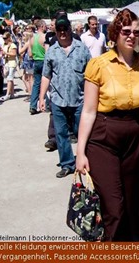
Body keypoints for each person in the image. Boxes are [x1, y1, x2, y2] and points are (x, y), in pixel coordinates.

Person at [76, 8, 139, 241]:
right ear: (115, 33)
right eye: (126, 31)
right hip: (103, 137)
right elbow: (88, 111)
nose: (131, 36)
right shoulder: (99, 65)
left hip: (134, 137)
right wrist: (80, 152)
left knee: (134, 203)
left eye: (136, 32)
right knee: (113, 206)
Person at [39, 11, 92, 178]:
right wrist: (41, 98)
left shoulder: (81, 49)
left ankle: (87, 159)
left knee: (81, 131)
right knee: (61, 134)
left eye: (65, 29)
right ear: (56, 31)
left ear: (70, 29)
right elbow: (46, 75)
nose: (62, 32)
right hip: (57, 100)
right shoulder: (52, 51)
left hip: (80, 99)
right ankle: (67, 164)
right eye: (59, 30)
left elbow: (91, 75)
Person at [28, 19, 48, 114]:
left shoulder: (32, 38)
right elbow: (48, 52)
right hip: (44, 61)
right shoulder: (44, 37)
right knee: (47, 83)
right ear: (42, 26)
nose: (46, 27)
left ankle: (33, 105)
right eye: (45, 26)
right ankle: (46, 104)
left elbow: (30, 54)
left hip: (36, 62)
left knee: (36, 84)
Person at [2, 32, 18, 100]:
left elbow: (14, 54)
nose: (4, 39)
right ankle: (12, 93)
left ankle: (7, 94)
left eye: (5, 38)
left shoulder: (13, 45)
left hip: (12, 63)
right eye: (3, 38)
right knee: (9, 78)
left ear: (9, 38)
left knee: (9, 79)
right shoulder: (4, 45)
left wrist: (6, 53)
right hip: (7, 63)